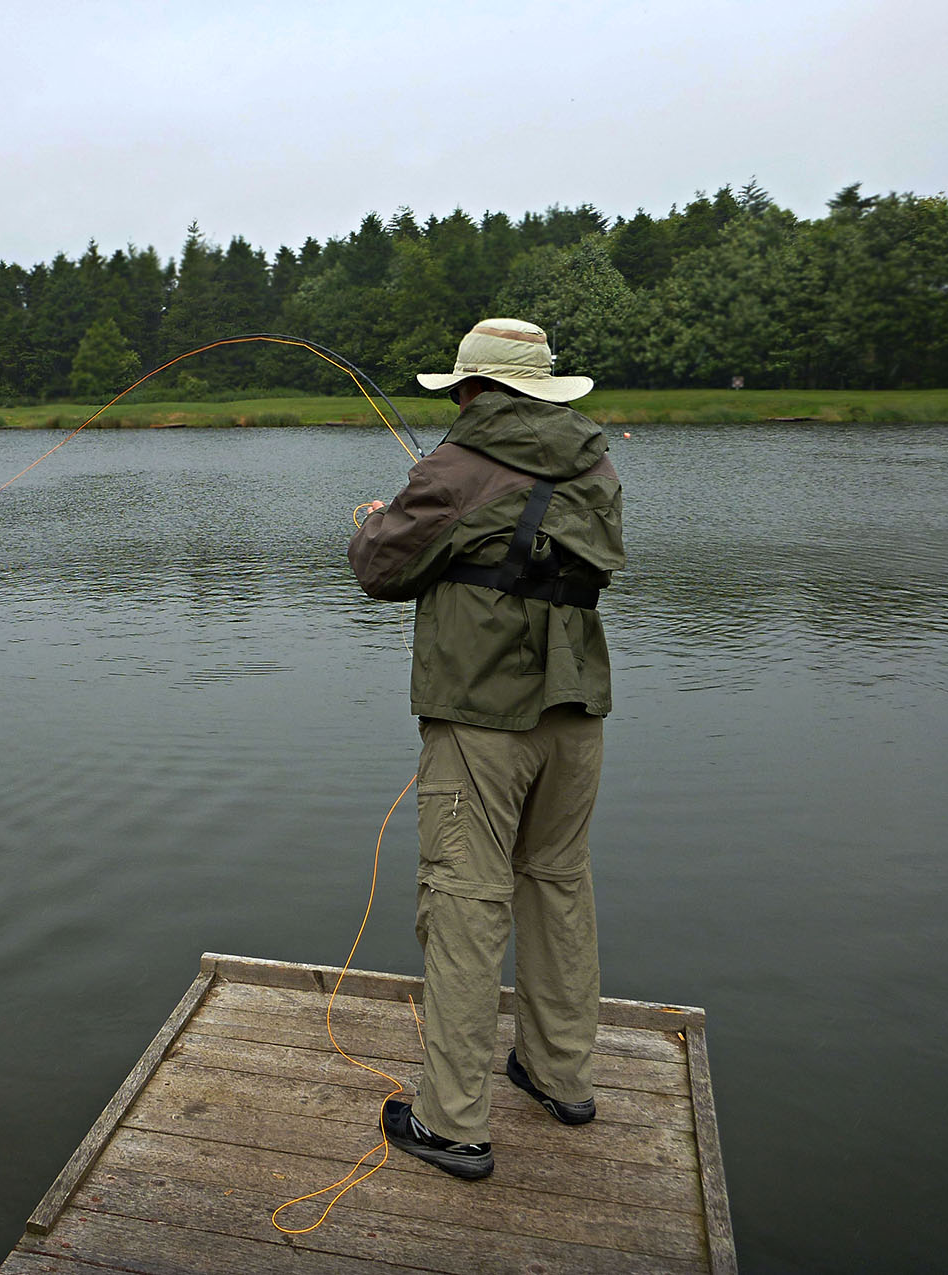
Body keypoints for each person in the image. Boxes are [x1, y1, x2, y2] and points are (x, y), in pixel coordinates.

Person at [347, 317, 625, 1181]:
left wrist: (372, 523)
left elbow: (381, 571)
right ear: (540, 389)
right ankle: (559, 1075)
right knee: (557, 885)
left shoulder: (453, 468)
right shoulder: (596, 462)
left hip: (482, 722)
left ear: (472, 390)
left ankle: (453, 1124)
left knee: (466, 902)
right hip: (576, 715)